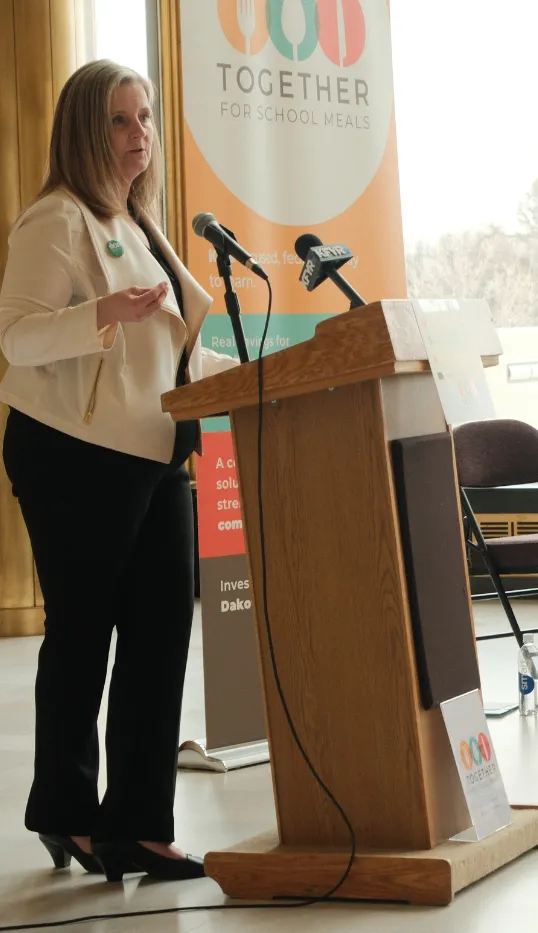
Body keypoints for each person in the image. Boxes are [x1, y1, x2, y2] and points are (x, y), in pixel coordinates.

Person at [0, 61, 240, 881]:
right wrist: (99, 313)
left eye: (146, 117)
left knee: (160, 637)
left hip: (158, 447)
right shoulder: (54, 220)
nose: (141, 133)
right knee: (83, 633)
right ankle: (65, 809)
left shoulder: (141, 224)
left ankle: (135, 826)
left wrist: (250, 379)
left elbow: (167, 354)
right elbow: (17, 338)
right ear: (84, 130)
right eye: (120, 119)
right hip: (74, 449)